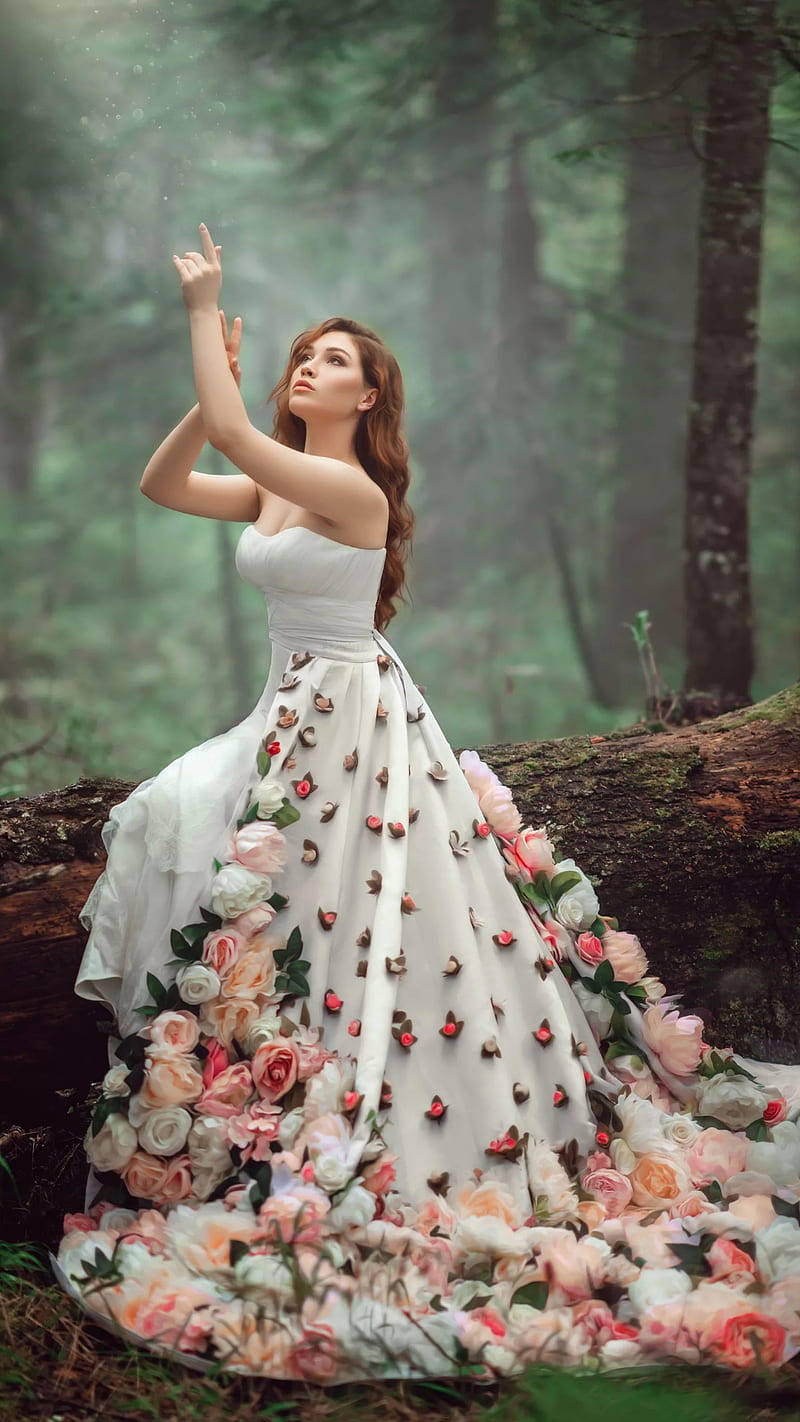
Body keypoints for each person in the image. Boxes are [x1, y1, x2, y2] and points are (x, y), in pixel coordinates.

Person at [51, 230, 800, 1383]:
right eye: (302, 356)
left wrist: (203, 316)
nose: (311, 368)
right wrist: (214, 390)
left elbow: (250, 434)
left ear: (369, 394)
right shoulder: (277, 480)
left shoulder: (344, 486)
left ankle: (406, 1129)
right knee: (192, 834)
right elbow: (162, 483)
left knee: (359, 909)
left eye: (333, 360)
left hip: (348, 721)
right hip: (290, 712)